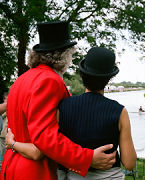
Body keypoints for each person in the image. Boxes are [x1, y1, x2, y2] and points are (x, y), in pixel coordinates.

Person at [0, 21, 116, 180]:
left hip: (11, 166)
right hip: (36, 172)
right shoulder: (49, 81)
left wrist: (14, 144)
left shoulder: (20, 80)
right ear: (65, 54)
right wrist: (87, 158)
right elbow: (45, 137)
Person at [5, 47, 137, 179]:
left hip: (18, 166)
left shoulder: (60, 106)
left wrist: (13, 144)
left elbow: (40, 144)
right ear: (109, 78)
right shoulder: (120, 111)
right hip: (105, 175)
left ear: (82, 74)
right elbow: (129, 163)